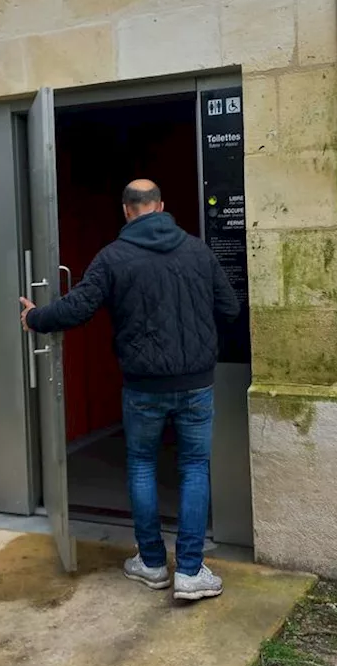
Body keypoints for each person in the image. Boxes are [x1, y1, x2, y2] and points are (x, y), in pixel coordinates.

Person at [19, 178, 240, 601]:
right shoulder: (197, 250)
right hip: (196, 382)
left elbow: (77, 307)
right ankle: (191, 572)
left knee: (142, 465)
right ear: (161, 206)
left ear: (126, 211)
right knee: (195, 467)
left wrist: (36, 318)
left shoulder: (113, 257)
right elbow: (229, 307)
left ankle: (153, 565)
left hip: (142, 385)